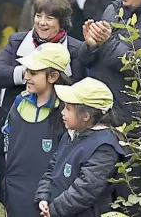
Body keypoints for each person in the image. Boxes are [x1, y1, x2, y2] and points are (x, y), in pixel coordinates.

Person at [0, 0, 86, 205]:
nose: (42, 22)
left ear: (63, 22)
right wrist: (30, 74)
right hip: (20, 129)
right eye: (38, 15)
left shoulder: (77, 49)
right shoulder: (17, 42)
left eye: (50, 17)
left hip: (57, 127)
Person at [79, 0, 141, 217]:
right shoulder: (113, 10)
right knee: (97, 199)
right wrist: (90, 44)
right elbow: (87, 59)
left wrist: (108, 42)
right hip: (99, 123)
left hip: (133, 131)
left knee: (131, 200)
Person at [35, 77, 126, 217]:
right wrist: (44, 196)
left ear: (86, 116)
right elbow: (52, 169)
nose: (62, 112)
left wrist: (54, 210)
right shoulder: (71, 135)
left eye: (68, 109)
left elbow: (85, 190)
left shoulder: (104, 148)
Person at [3, 43, 72, 217]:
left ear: (53, 76)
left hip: (48, 198)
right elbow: (8, 139)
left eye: (33, 73)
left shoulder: (66, 112)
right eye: (26, 71)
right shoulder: (19, 101)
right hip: (15, 191)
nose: (26, 76)